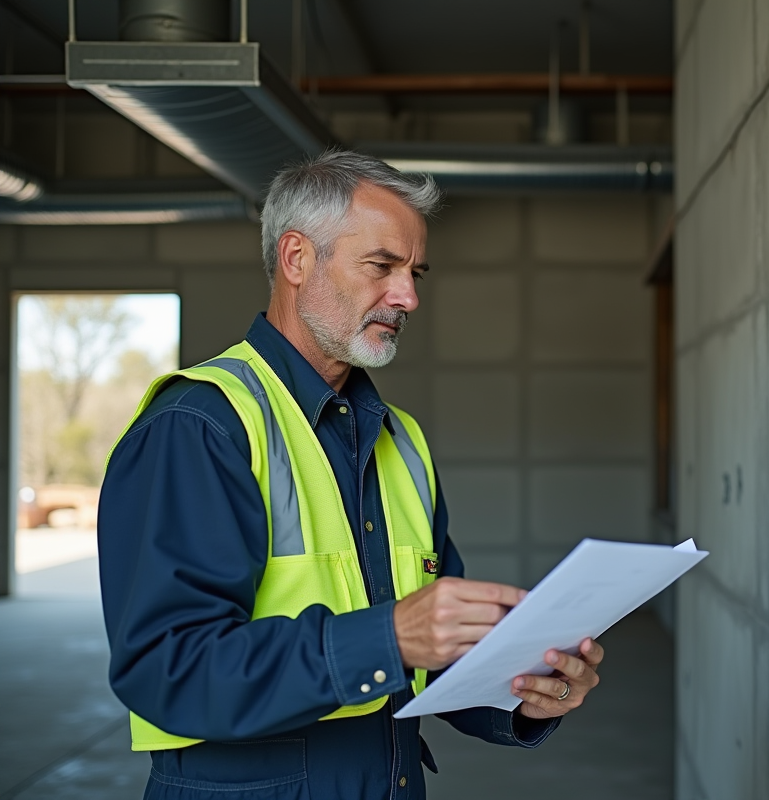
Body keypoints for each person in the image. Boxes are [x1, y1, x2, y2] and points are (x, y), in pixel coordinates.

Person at [97, 150, 603, 799]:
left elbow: (433, 652)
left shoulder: (401, 440)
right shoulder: (201, 427)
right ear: (297, 259)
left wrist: (525, 692)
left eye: (416, 272)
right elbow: (166, 670)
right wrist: (384, 639)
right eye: (382, 266)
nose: (409, 296)